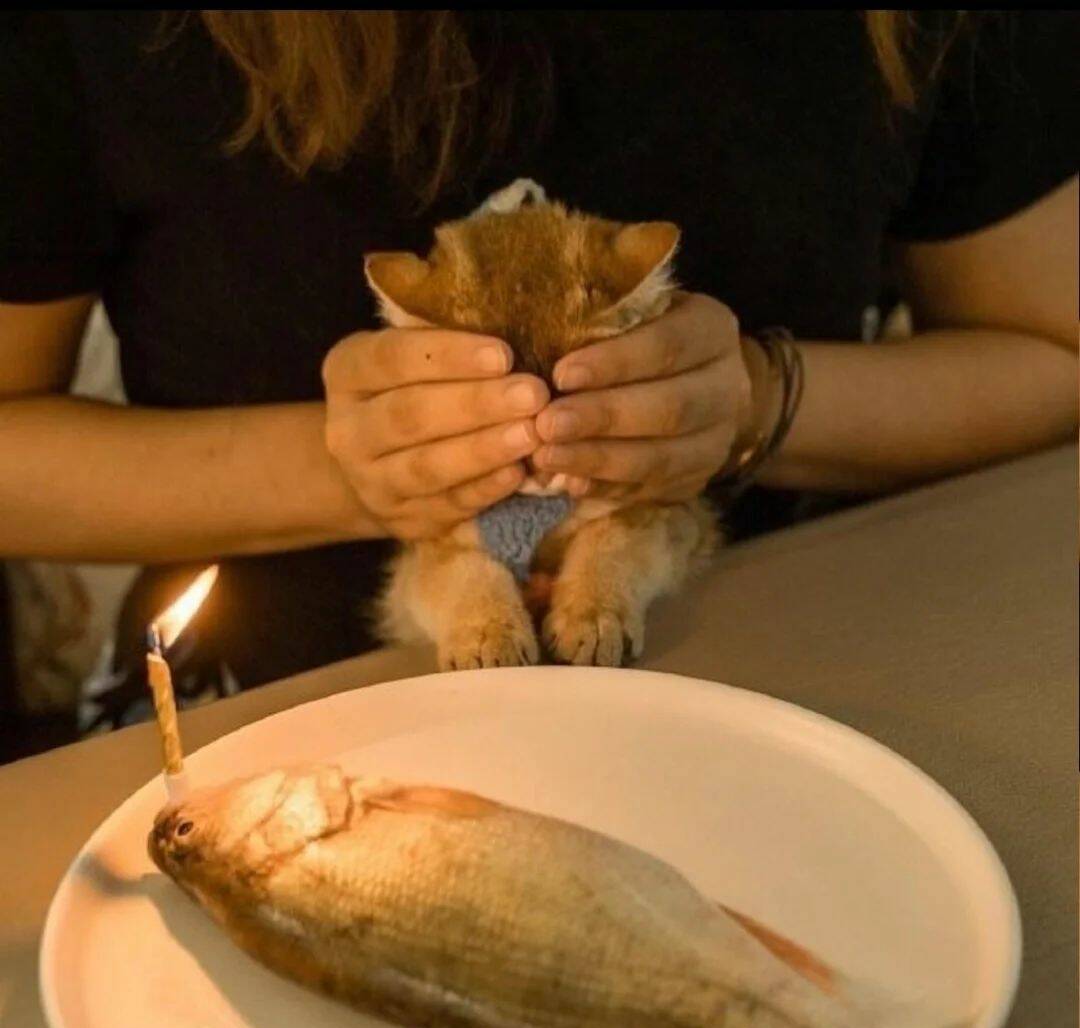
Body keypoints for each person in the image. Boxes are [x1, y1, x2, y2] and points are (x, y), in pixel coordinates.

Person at [1, 11, 1075, 713]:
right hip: (268, 692)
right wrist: (365, 466)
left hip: (800, 661)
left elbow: (1052, 356)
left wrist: (754, 399)